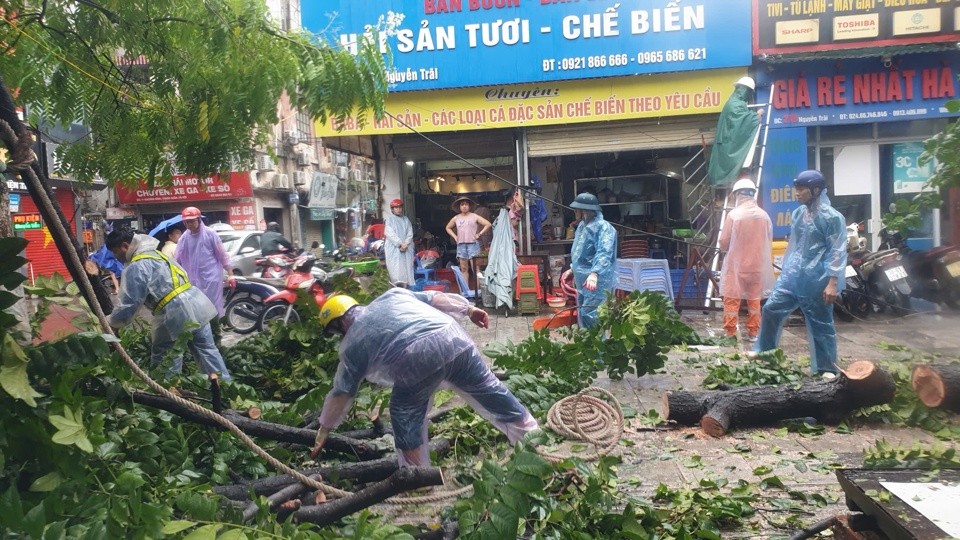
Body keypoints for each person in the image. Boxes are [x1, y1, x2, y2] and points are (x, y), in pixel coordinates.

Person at [309, 290, 539, 466]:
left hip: (417, 359)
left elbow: (342, 392)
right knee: (490, 389)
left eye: (334, 332)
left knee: (404, 413)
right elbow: (434, 297)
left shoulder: (352, 345)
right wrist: (468, 310)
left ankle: (417, 474)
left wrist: (324, 429)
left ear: (338, 324)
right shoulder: (392, 295)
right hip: (454, 338)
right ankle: (534, 436)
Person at [753, 170, 847, 378]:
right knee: (770, 309)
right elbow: (795, 247)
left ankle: (826, 368)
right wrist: (787, 270)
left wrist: (832, 282)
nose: (797, 193)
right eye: (796, 188)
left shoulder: (832, 218)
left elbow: (837, 250)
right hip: (793, 276)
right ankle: (764, 352)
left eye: (801, 189)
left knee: (820, 323)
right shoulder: (798, 214)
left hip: (817, 280)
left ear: (815, 190)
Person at [106, 229, 231, 380]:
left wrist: (112, 323)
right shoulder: (158, 255)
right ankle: (224, 390)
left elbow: (129, 303)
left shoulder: (137, 265)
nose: (115, 256)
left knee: (164, 358)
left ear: (125, 246)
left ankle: (168, 396)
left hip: (174, 312)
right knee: (207, 351)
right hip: (197, 305)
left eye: (115, 251)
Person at [718, 178, 774, 342]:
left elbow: (723, 242)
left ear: (737, 195)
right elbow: (767, 241)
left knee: (732, 300)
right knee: (754, 301)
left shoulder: (734, 215)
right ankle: (753, 333)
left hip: (737, 266)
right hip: (757, 267)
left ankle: (730, 333)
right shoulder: (764, 216)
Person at [174, 207, 235, 346]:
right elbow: (176, 258)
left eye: (191, 221)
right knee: (196, 312)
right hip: (193, 281)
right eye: (186, 222)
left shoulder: (210, 234)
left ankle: (216, 342)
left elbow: (222, 255)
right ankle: (202, 344)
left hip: (211, 280)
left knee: (212, 311)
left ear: (199, 219)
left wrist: (231, 274)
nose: (188, 225)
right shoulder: (184, 238)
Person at [564, 192, 617, 329]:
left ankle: (598, 349)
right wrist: (572, 268)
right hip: (583, 280)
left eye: (577, 209)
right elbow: (579, 252)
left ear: (585, 210)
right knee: (583, 312)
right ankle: (588, 346)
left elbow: (604, 252)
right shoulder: (582, 226)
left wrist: (595, 273)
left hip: (596, 281)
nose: (575, 212)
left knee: (592, 314)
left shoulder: (603, 227)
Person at [708, 76, 764, 185]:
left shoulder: (734, 102)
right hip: (728, 146)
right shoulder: (735, 104)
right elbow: (741, 122)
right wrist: (757, 115)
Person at [445, 197, 491, 282]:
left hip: (473, 245)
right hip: (461, 245)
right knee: (464, 269)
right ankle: (466, 293)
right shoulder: (456, 218)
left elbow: (488, 224)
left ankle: (479, 293)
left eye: (466, 204)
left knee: (476, 269)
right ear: (459, 207)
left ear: (469, 206)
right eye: (462, 204)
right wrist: (455, 237)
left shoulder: (474, 216)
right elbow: (448, 228)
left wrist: (479, 234)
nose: (464, 206)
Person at [384, 199, 414, 286]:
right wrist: (400, 243)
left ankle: (407, 290)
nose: (398, 209)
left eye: (400, 207)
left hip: (406, 248)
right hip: (394, 249)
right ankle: (398, 290)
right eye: (396, 207)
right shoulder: (389, 220)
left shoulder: (406, 220)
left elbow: (410, 233)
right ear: (392, 209)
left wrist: (406, 243)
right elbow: (390, 233)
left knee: (407, 270)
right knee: (396, 270)